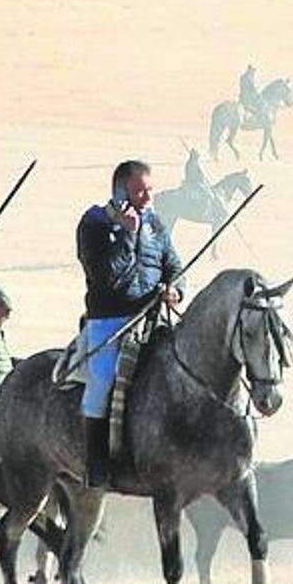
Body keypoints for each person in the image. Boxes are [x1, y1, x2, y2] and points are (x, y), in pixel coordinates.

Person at [76, 160, 185, 488]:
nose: (148, 196)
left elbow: (173, 264)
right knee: (103, 379)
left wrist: (175, 289)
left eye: (150, 189)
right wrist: (126, 232)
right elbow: (103, 275)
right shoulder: (93, 224)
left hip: (151, 318)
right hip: (110, 320)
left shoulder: (156, 225)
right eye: (140, 190)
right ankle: (96, 462)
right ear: (121, 191)